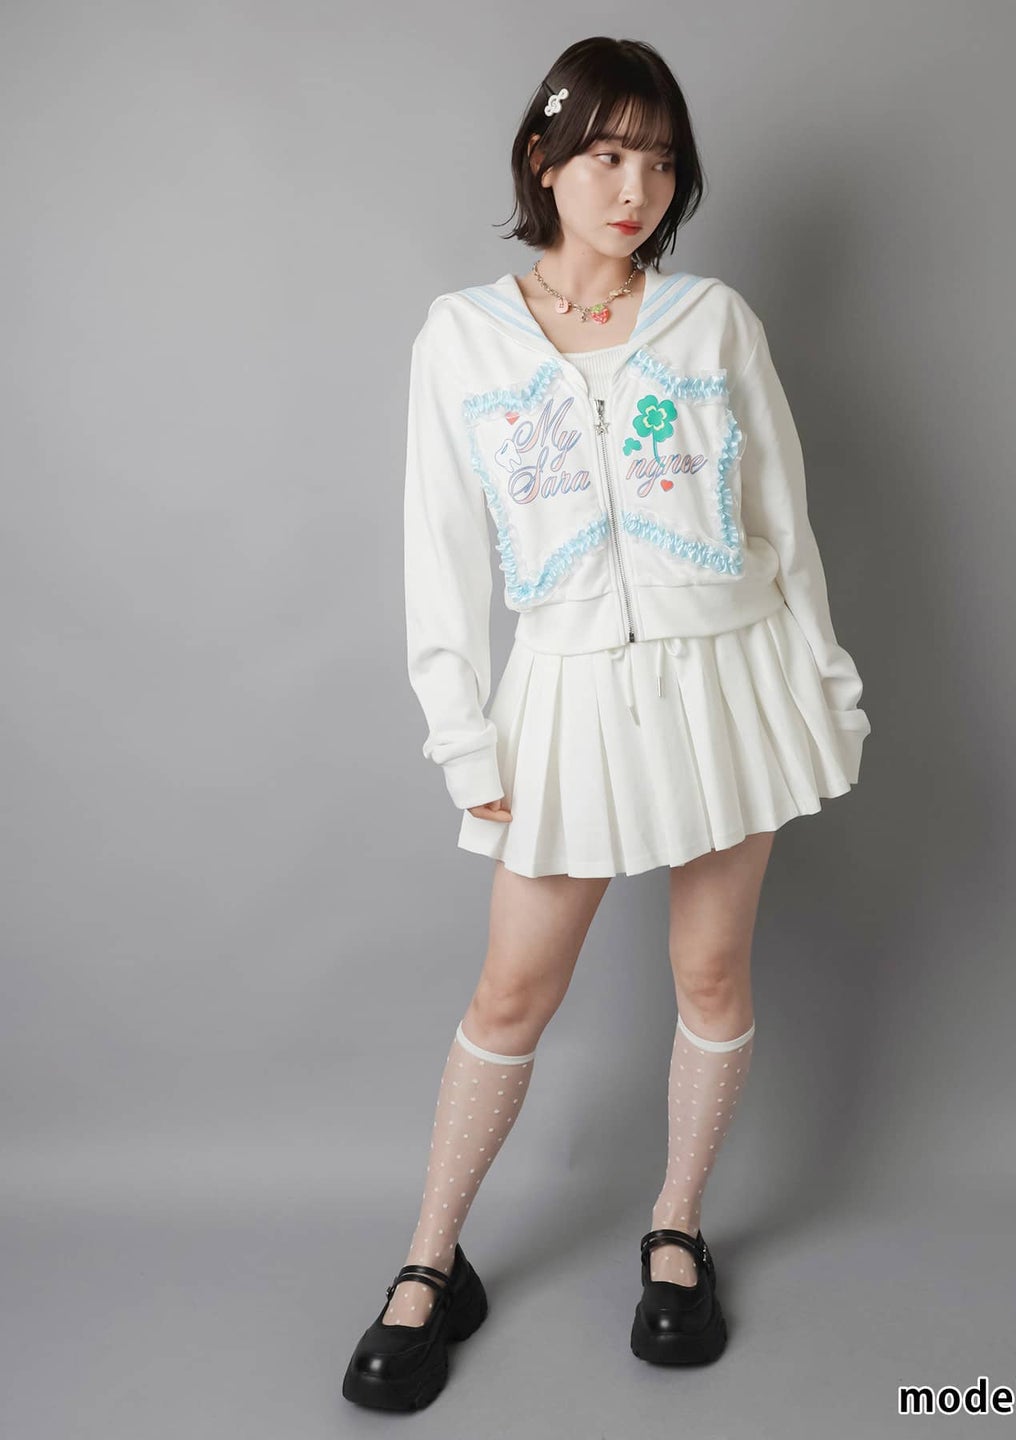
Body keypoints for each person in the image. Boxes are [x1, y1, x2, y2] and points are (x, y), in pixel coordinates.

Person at [342, 35, 871, 1412]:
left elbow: (785, 521)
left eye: (661, 160)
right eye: (607, 154)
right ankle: (430, 1260)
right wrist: (464, 732)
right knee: (512, 992)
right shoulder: (464, 336)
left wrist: (823, 678)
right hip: (567, 693)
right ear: (546, 158)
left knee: (712, 974)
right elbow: (439, 552)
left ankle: (676, 1228)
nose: (636, 188)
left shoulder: (714, 322)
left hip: (730, 679)